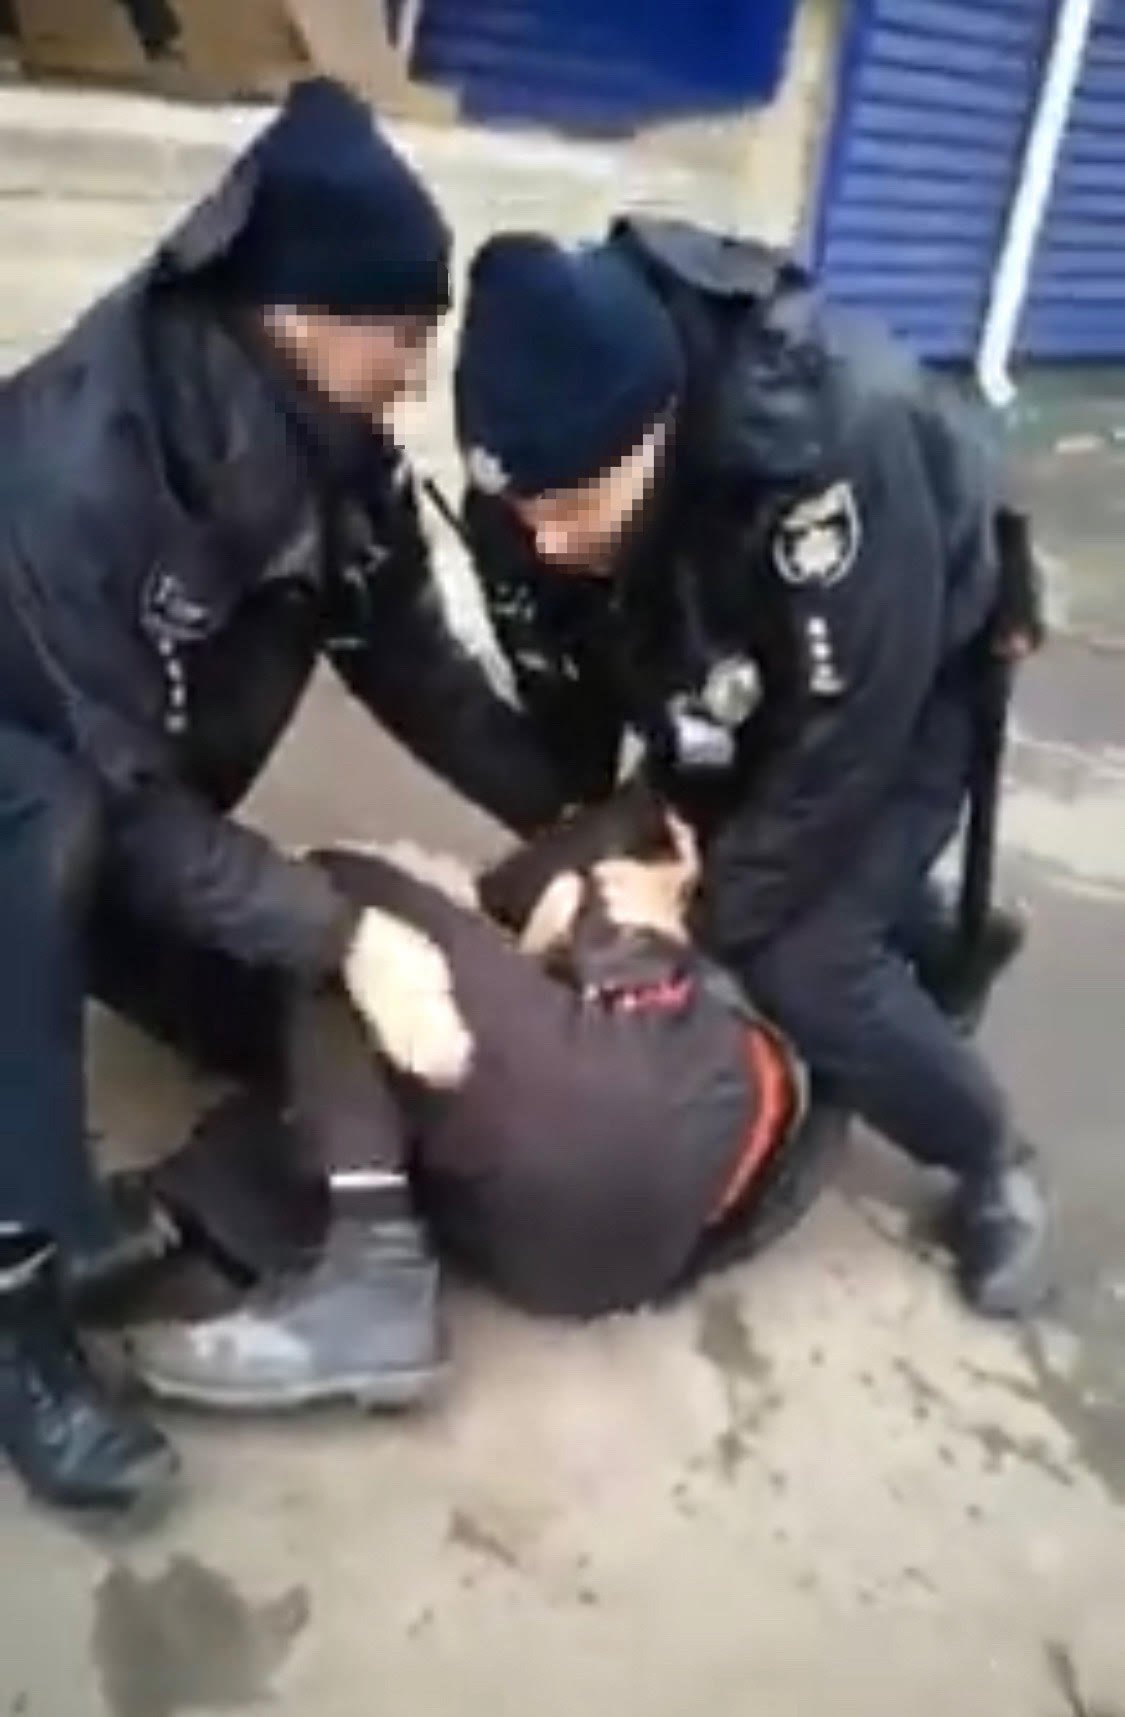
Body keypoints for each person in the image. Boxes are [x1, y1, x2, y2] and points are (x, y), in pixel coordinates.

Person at [0, 79, 564, 1514]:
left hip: (125, 801)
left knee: (328, 1031)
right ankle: (17, 1305)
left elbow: (421, 672)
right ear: (305, 318)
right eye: (406, 339)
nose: (418, 380)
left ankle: (169, 1208)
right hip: (36, 794)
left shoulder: (333, 451)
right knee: (48, 835)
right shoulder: (79, 466)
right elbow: (117, 793)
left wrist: (572, 818)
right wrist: (343, 930)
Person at [451, 217, 1051, 1324]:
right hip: (726, 654)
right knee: (607, 865)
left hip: (908, 673)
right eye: (526, 514)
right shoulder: (533, 463)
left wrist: (699, 905)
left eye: (574, 510)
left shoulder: (826, 447)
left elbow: (840, 752)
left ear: (656, 428)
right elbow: (567, 676)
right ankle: (930, 941)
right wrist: (587, 828)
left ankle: (990, 1153)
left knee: (804, 960)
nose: (546, 542)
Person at [123, 791, 813, 1410]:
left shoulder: (627, 897)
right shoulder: (613, 1005)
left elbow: (521, 903)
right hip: (606, 1261)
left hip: (651, 1107)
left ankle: (371, 1272)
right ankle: (177, 1217)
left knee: (347, 910)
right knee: (393, 1082)